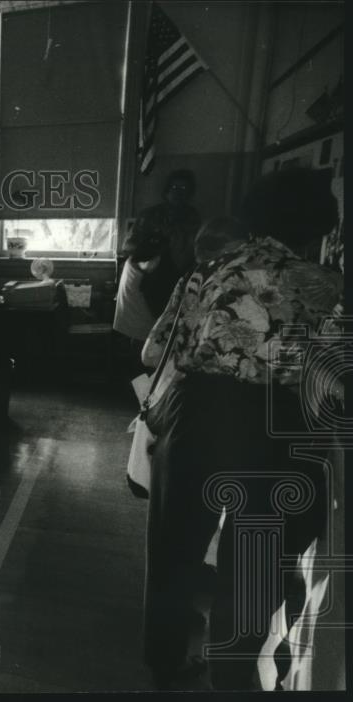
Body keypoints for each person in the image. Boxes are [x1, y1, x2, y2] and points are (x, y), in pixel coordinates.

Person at [139, 167, 342, 690]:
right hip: (275, 426)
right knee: (252, 568)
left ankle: (164, 662)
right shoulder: (326, 287)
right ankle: (232, 677)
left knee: (174, 554)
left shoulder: (210, 269)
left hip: (195, 413)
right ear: (316, 226)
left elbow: (155, 351)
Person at [122, 169, 202, 318]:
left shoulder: (193, 218)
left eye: (184, 189)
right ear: (167, 191)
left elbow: (198, 250)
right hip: (150, 277)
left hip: (182, 275)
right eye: (175, 188)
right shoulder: (150, 215)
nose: (179, 193)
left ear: (190, 193)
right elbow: (128, 246)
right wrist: (151, 249)